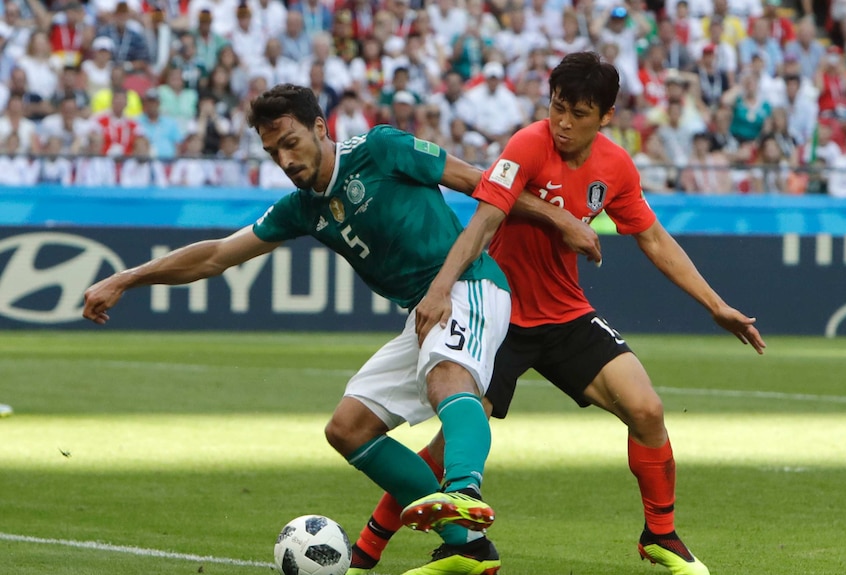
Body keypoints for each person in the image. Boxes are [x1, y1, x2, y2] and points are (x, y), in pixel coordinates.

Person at [81, 83, 571, 575]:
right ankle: (466, 545)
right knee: (348, 429)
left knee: (447, 377)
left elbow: (479, 182)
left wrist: (560, 220)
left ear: (320, 128)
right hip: (422, 312)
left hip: (469, 284)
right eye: (273, 152)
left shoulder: (381, 149)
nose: (285, 159)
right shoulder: (302, 208)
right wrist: (127, 278)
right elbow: (215, 255)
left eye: (291, 142)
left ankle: (464, 490)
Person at [347, 51, 766, 575]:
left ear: (606, 116)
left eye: (578, 114)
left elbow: (654, 239)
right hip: (498, 315)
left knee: (647, 409)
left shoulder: (616, 167)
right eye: (557, 107)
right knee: (451, 441)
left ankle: (660, 536)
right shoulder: (526, 143)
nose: (563, 123)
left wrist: (717, 306)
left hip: (565, 313)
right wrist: (443, 288)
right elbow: (484, 218)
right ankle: (370, 549)